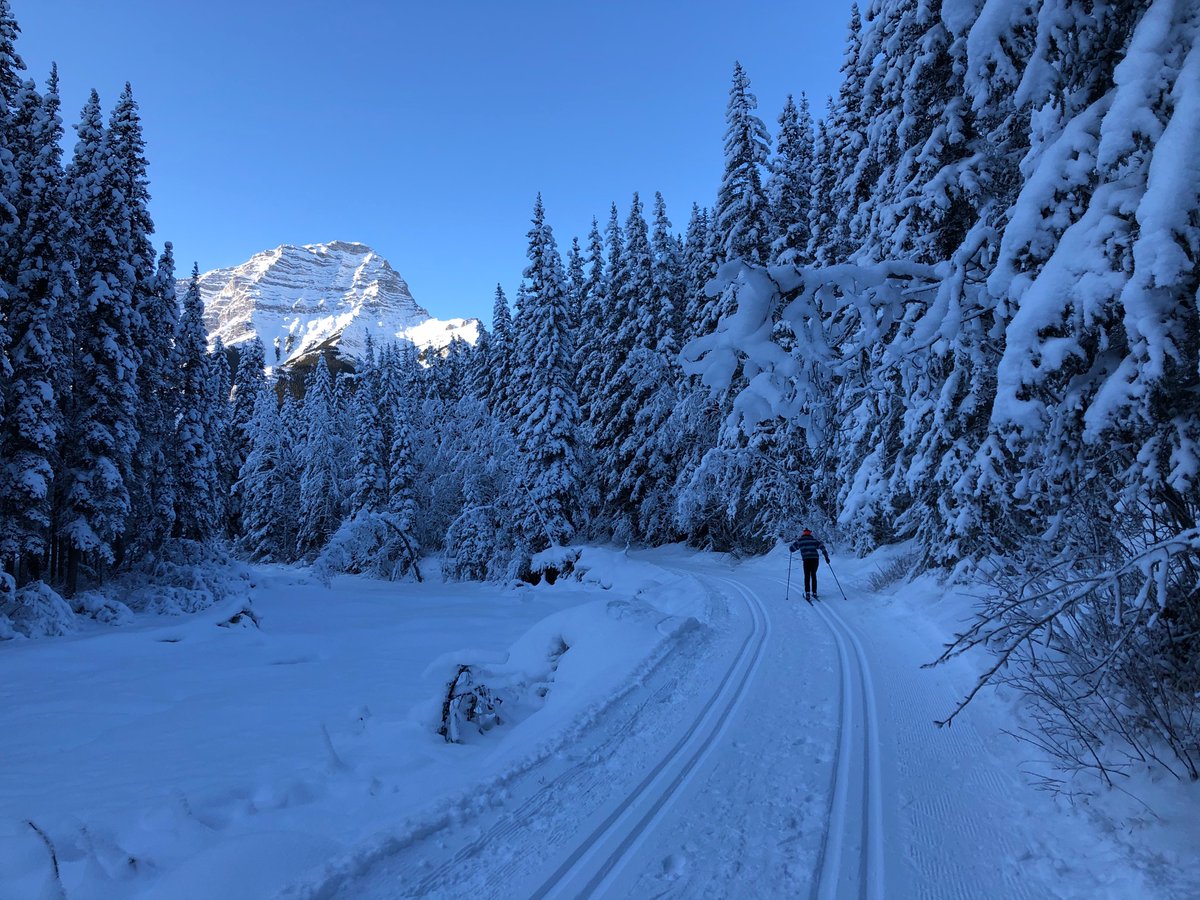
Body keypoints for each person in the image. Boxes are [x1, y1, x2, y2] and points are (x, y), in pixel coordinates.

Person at [790, 528, 830, 601]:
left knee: (807, 575)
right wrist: (826, 557)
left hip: (806, 560)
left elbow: (792, 549)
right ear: (810, 533)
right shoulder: (814, 540)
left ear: (803, 533)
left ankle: (807, 593)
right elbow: (822, 547)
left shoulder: (800, 541)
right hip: (815, 559)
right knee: (813, 575)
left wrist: (791, 549)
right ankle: (814, 593)